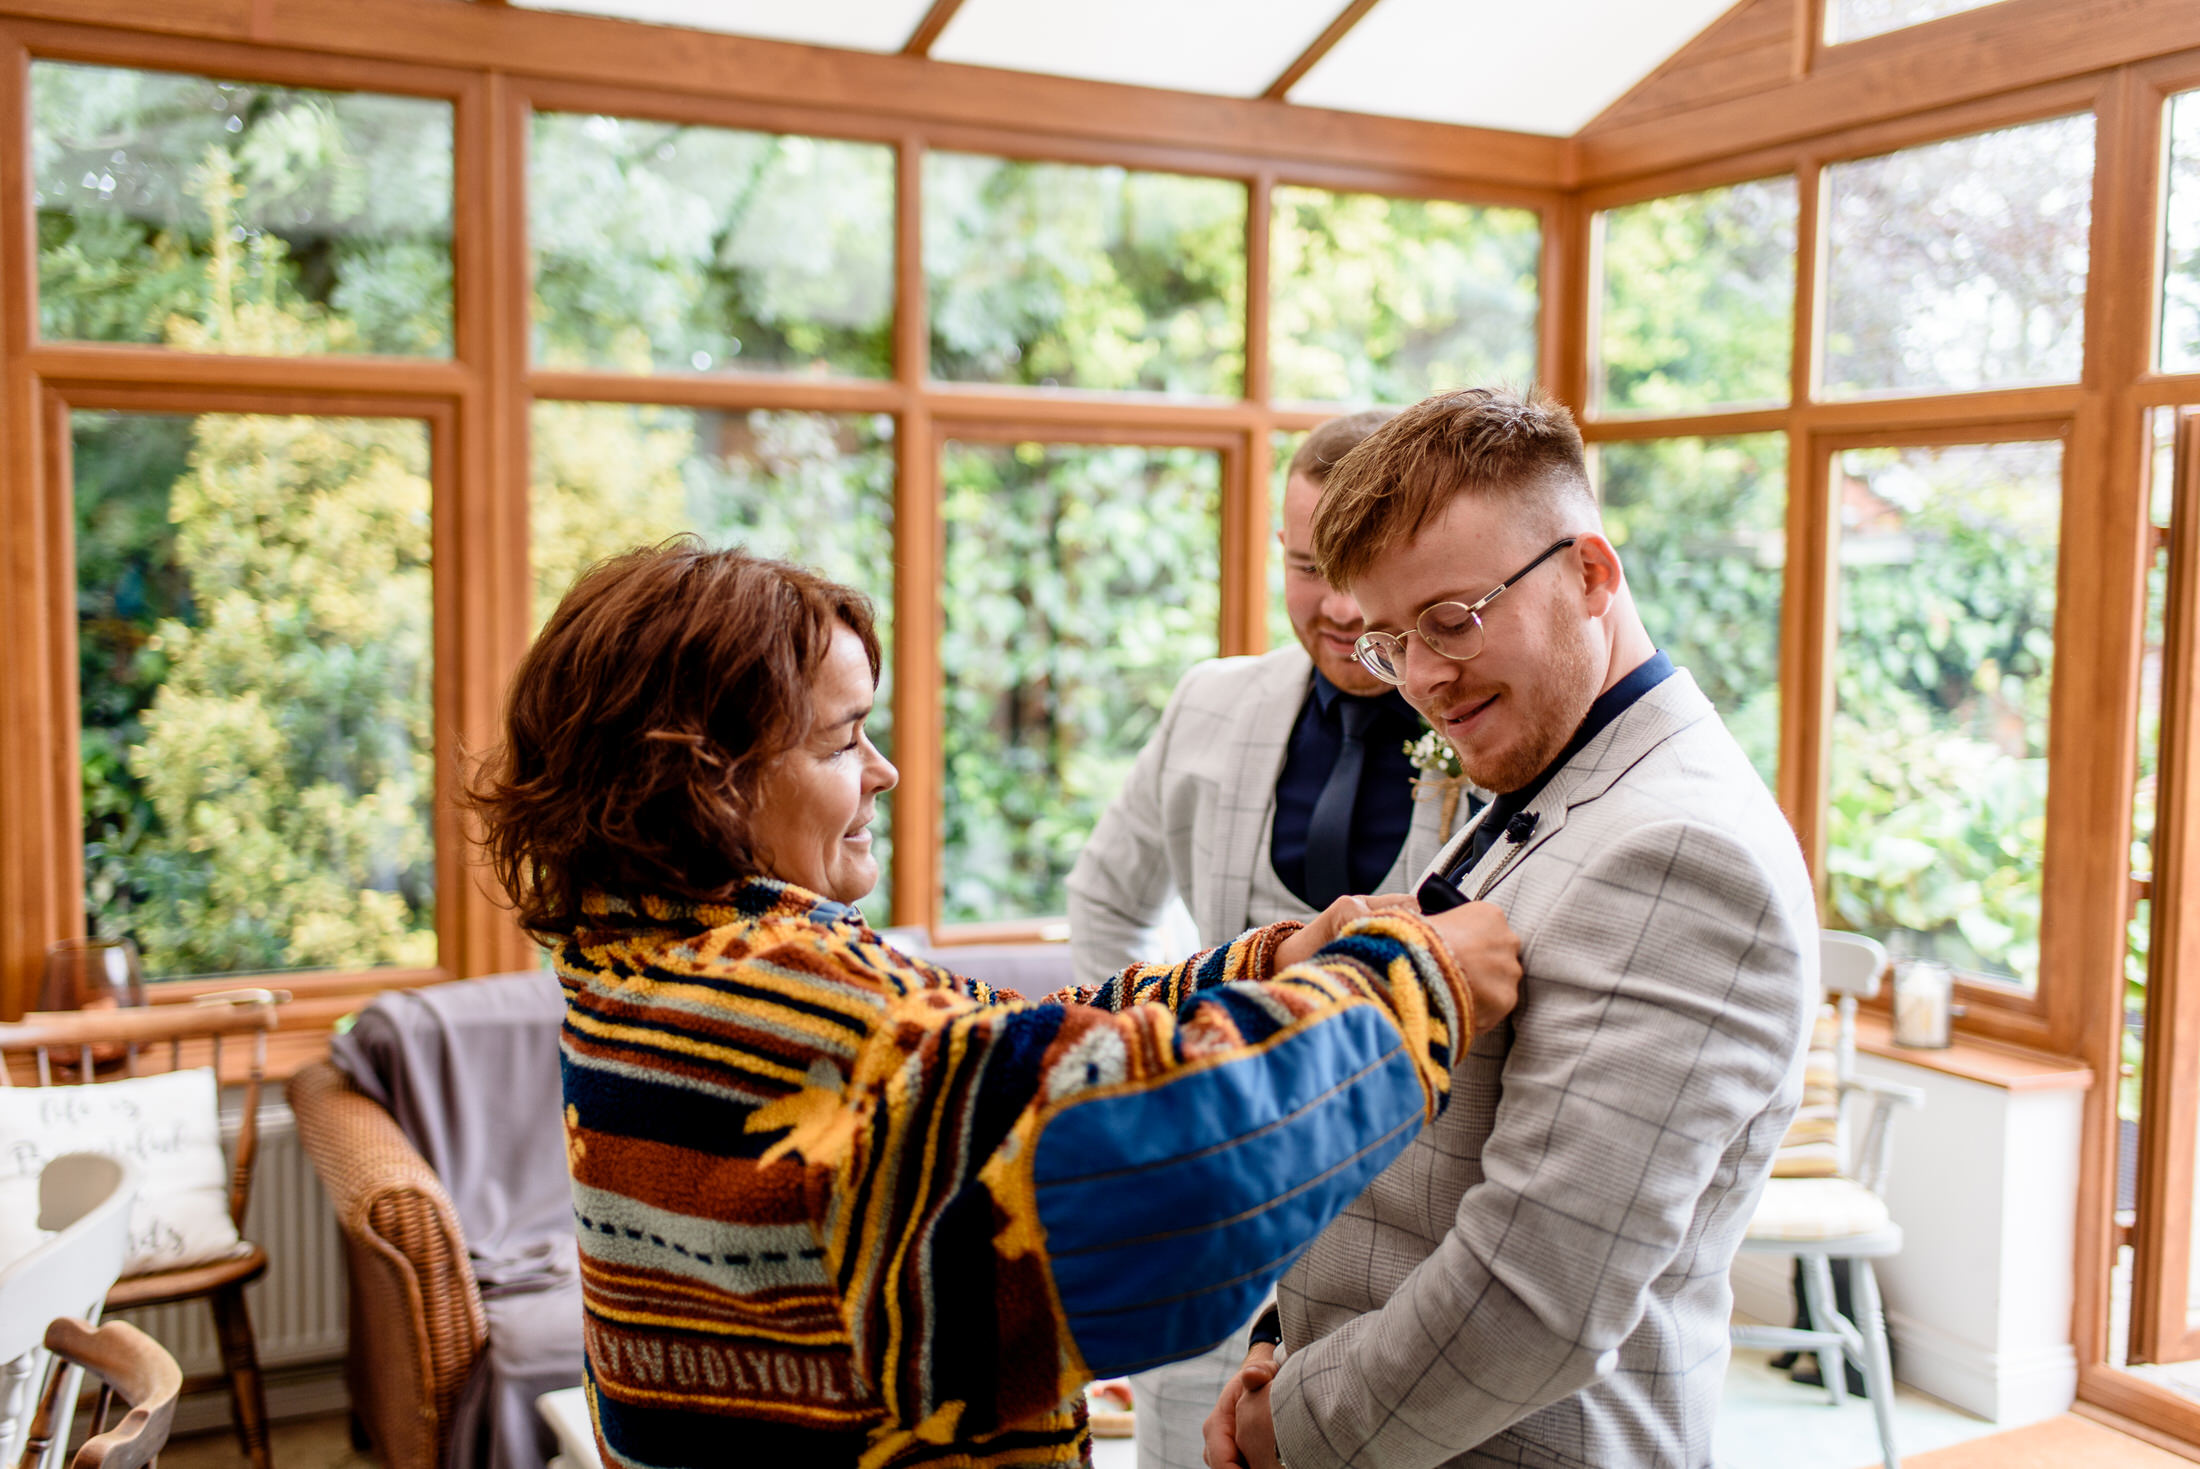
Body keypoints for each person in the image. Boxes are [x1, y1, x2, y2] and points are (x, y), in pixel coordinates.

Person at [465, 538, 1526, 1469]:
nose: (880, 771)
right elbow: (1171, 1154)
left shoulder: (632, 957)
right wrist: (1411, 984)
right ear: (708, 779)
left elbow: (991, 1046)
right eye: (840, 741)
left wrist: (1271, 957)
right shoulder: (803, 1004)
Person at [1204, 389, 1817, 1469]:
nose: (1425, 680)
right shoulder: (1542, 771)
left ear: (1589, 572)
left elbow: (1536, 1295)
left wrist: (1288, 1427)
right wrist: (1276, 1345)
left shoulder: (1682, 853)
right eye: (1393, 641)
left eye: (1450, 619)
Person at [1069, 411, 1485, 1469]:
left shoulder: (1491, 718)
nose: (1338, 607)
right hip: (1209, 1222)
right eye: (1307, 566)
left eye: (1362, 569)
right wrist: (1165, 1098)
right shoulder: (1210, 702)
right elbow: (1105, 902)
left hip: (1412, 1252)